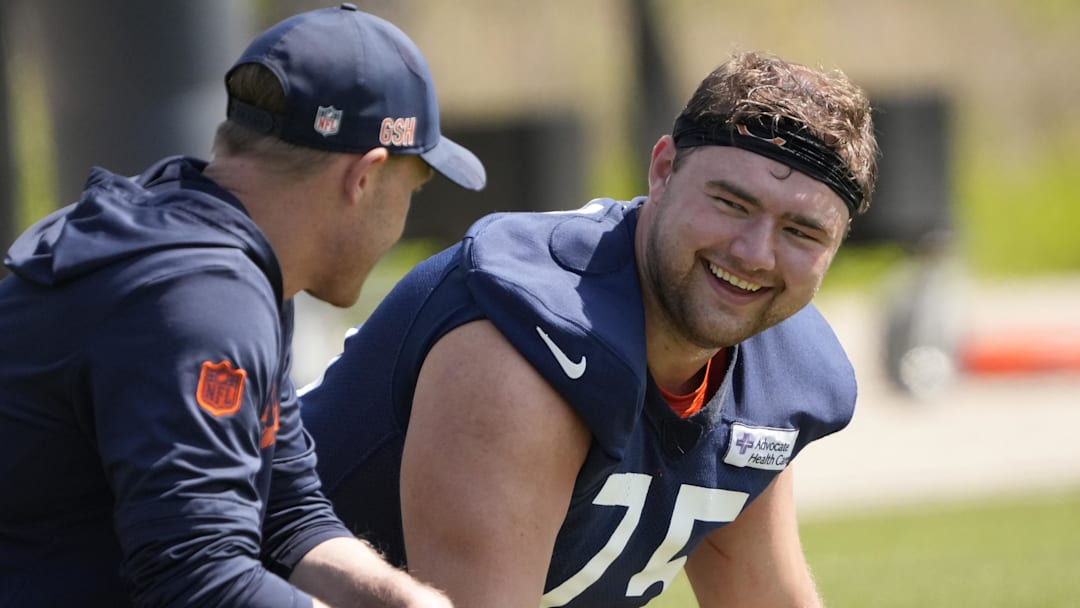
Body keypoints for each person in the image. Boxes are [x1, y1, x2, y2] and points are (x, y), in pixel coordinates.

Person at [300, 50, 879, 607]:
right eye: (731, 202)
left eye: (802, 233)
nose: (755, 254)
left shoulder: (770, 367)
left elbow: (761, 597)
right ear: (663, 170)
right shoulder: (533, 334)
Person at [0, 4, 485, 607]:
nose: (403, 216)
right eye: (411, 192)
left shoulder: (227, 255)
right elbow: (199, 581)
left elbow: (288, 514)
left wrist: (405, 601)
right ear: (364, 178)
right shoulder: (203, 297)